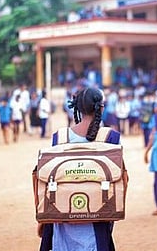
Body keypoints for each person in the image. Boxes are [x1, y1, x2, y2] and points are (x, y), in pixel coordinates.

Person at [38, 87, 121, 251]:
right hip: (97, 216)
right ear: (101, 108)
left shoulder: (60, 137)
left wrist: (43, 219)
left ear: (76, 108)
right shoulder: (109, 137)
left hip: (61, 216)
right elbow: (118, 180)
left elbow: (49, 181)